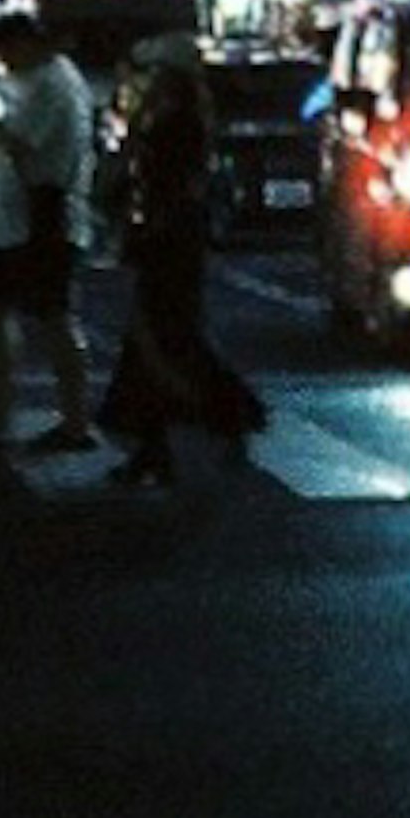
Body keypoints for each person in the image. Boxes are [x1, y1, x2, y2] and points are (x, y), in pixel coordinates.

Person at [99, 36, 268, 485]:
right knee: (153, 342)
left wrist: (133, 138)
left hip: (169, 237)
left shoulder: (177, 121)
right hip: (168, 233)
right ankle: (152, 448)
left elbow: (153, 175)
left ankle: (229, 413)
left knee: (167, 339)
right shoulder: (176, 116)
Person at [0, 3, 99, 456]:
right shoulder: (27, 78)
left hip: (44, 216)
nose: (3, 60)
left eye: (6, 51)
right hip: (15, 221)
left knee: (55, 318)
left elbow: (22, 143)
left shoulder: (54, 84)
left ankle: (75, 421)